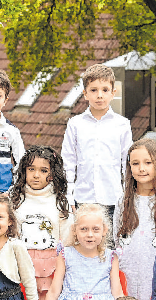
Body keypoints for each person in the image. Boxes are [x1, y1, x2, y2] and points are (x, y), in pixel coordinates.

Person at [61, 64, 132, 220]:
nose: (100, 95)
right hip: (83, 200)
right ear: (85, 94)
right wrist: (68, 195)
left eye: (105, 90)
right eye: (94, 90)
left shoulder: (122, 124)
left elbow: (127, 163)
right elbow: (68, 162)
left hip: (113, 199)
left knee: (111, 243)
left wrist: (128, 196)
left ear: (113, 93)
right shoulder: (75, 124)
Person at [10, 146, 72, 300]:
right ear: (24, 171)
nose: (36, 175)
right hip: (21, 263)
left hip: (50, 267)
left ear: (52, 174)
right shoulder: (14, 199)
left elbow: (66, 239)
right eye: (31, 169)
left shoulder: (60, 201)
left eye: (43, 170)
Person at [113, 138, 156, 300]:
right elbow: (117, 239)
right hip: (128, 272)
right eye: (135, 163)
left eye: (148, 162)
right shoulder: (123, 201)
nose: (141, 168)